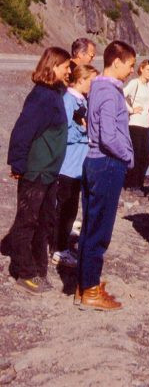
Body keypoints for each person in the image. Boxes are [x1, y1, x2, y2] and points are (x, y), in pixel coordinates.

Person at [5, 47, 71, 294]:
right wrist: (18, 163)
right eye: (66, 66)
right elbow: (22, 131)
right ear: (53, 66)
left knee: (44, 222)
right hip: (36, 172)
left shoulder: (55, 93)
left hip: (49, 173)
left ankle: (38, 269)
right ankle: (25, 272)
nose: (69, 70)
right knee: (27, 222)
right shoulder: (42, 96)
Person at [76, 40, 135, 311]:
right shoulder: (110, 93)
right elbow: (109, 136)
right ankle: (89, 291)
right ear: (116, 62)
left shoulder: (97, 87)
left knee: (90, 226)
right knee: (99, 231)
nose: (132, 71)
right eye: (130, 65)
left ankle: (86, 283)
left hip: (93, 163)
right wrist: (127, 156)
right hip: (107, 165)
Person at [51, 64, 99, 268]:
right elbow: (65, 132)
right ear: (81, 80)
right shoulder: (68, 100)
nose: (93, 86)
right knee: (63, 210)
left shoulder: (82, 100)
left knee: (70, 210)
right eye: (91, 81)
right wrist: (85, 132)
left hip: (77, 167)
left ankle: (61, 246)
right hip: (68, 166)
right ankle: (58, 250)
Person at [123, 59, 149, 194]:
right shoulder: (134, 83)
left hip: (145, 124)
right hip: (135, 123)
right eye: (148, 69)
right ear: (141, 69)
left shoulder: (148, 85)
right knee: (136, 155)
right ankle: (132, 185)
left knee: (146, 155)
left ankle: (139, 183)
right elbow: (121, 95)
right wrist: (131, 109)